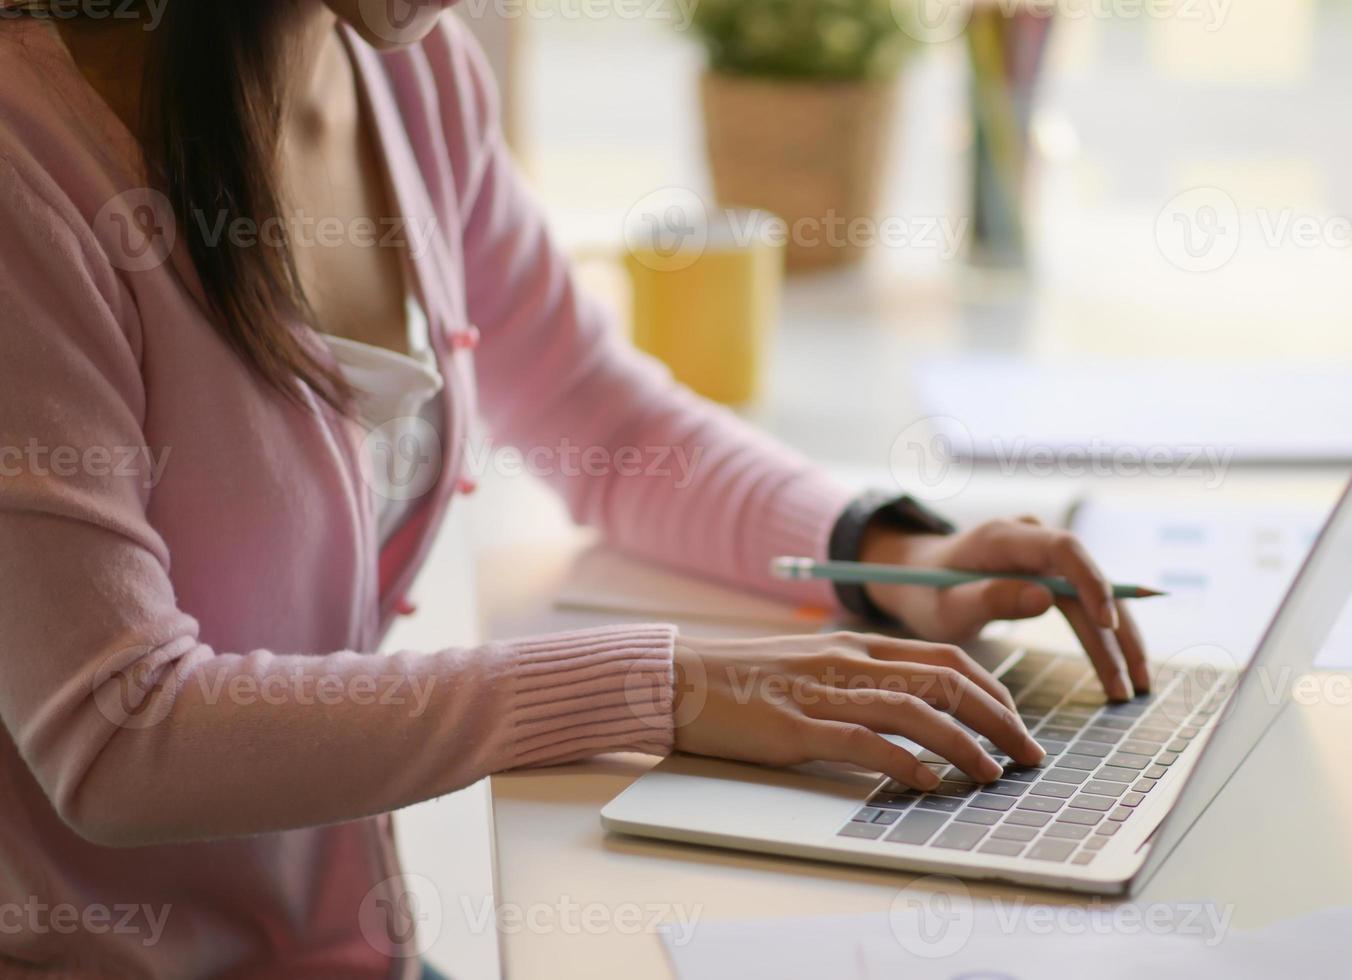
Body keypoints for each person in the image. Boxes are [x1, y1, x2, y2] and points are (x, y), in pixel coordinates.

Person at [0, 1, 1149, 974]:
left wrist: (885, 550)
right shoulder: (27, 168)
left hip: (332, 944)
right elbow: (119, 735)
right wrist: (664, 683)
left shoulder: (409, 68)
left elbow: (594, 411)